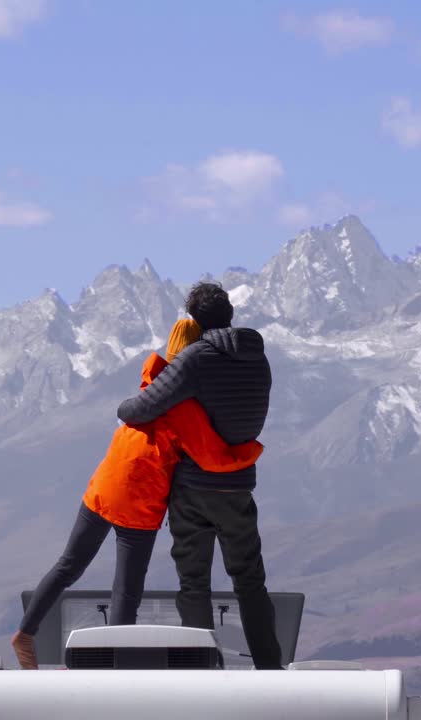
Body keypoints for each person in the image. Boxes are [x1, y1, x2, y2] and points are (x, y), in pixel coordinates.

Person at [11, 318, 264, 669]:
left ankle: (25, 633)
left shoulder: (149, 384)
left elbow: (133, 413)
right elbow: (213, 457)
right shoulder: (186, 408)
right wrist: (250, 452)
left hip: (103, 488)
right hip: (139, 503)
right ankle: (113, 666)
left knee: (68, 565)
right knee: (126, 591)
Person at [115, 281, 283, 669]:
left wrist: (127, 402)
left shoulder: (195, 360)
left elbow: (140, 409)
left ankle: (202, 670)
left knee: (194, 585)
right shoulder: (259, 358)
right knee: (250, 581)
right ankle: (270, 669)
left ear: (194, 320)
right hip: (239, 485)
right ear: (230, 315)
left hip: (193, 486)